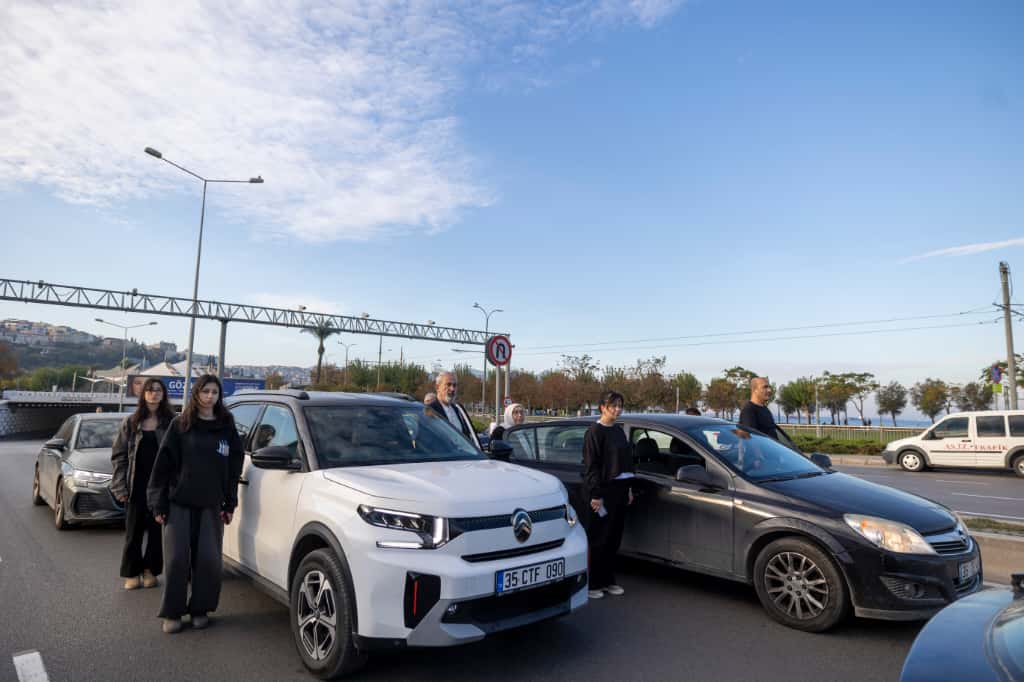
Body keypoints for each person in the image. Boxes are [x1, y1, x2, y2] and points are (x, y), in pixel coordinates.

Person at [147, 374, 243, 634]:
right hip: (179, 502)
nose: (210, 396)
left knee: (209, 562)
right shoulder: (181, 425)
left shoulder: (226, 425)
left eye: (214, 392)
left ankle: (200, 608)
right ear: (196, 394)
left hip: (212, 504)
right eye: (205, 391)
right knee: (178, 560)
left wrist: (230, 503)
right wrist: (158, 504)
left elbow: (234, 466)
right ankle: (173, 612)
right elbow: (162, 466)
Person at [111, 377, 175, 591]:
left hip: (161, 486)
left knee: (157, 532)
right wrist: (120, 486)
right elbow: (119, 456)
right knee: (133, 532)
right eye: (149, 390)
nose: (154, 394)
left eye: (158, 390)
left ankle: (150, 571)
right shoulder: (131, 422)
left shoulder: (171, 422)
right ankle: (131, 573)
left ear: (163, 394)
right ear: (143, 394)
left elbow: (178, 456)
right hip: (135, 483)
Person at [582, 390, 633, 599]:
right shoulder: (595, 431)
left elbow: (626, 461)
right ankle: (594, 582)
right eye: (613, 405)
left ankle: (608, 579)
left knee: (614, 537)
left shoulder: (619, 431)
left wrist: (629, 488)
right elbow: (591, 465)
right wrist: (596, 494)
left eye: (620, 405)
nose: (618, 409)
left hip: (620, 490)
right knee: (599, 537)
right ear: (603, 407)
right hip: (603, 492)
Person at [426, 372, 480, 448]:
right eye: (448, 385)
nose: (452, 389)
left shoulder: (458, 409)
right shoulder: (430, 410)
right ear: (437, 387)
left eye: (454, 385)